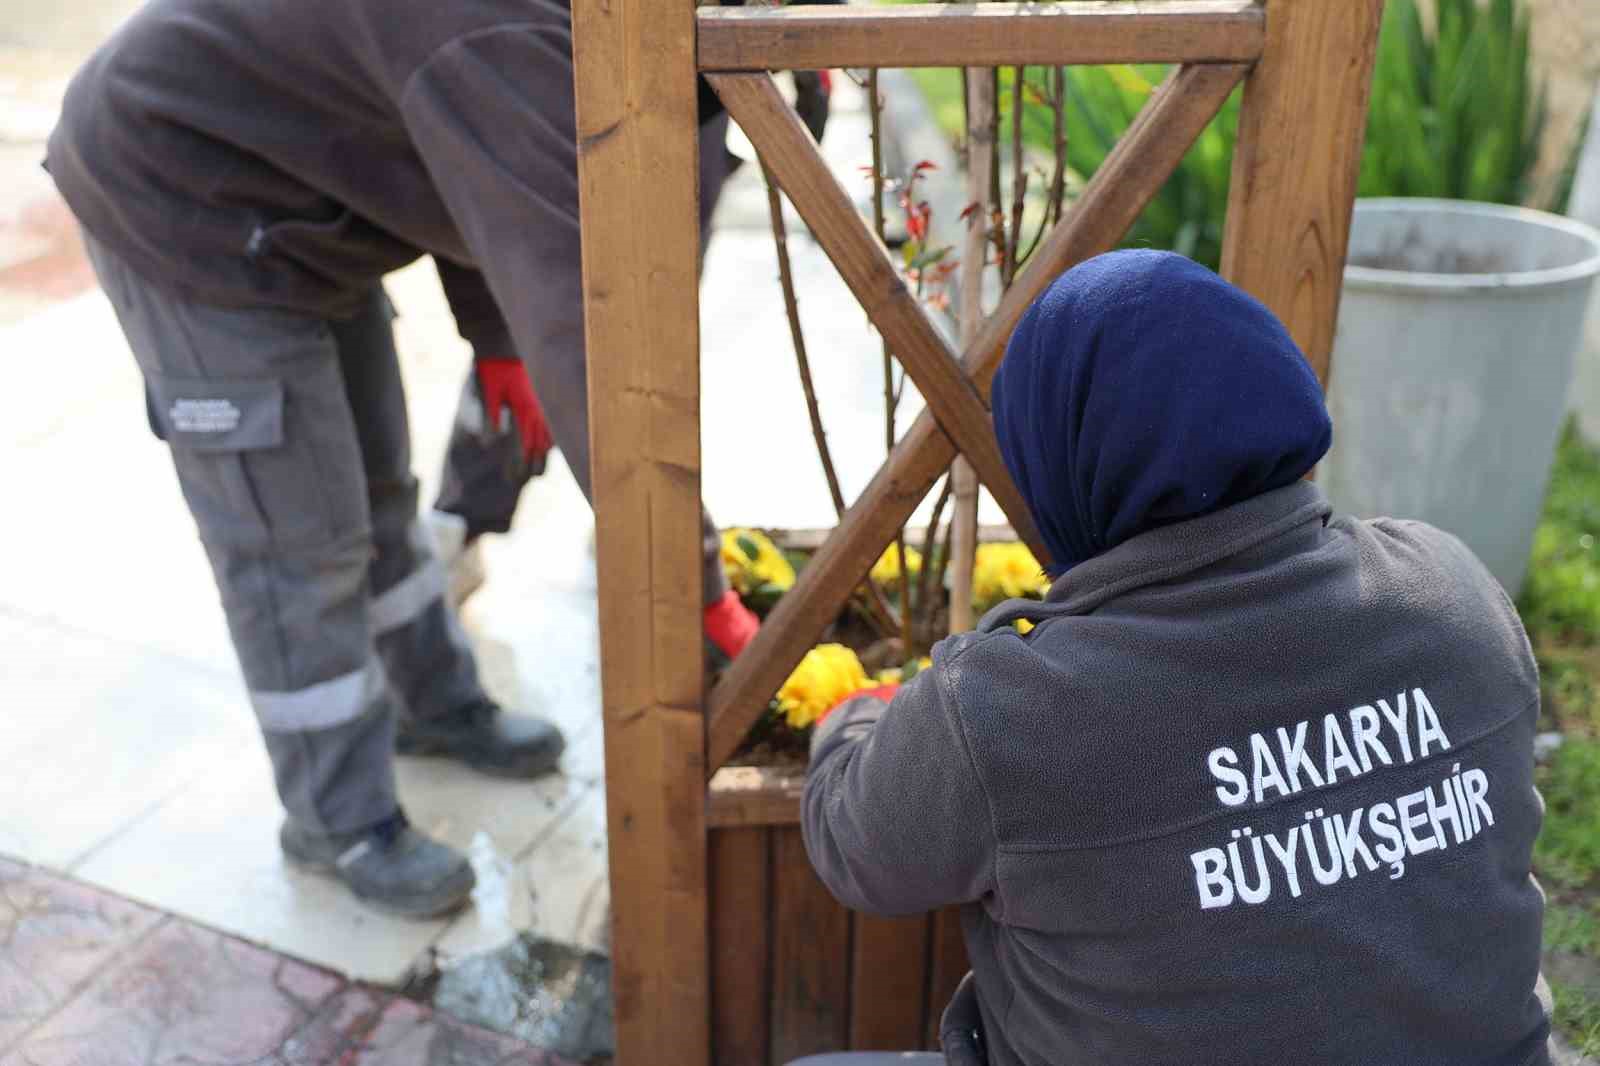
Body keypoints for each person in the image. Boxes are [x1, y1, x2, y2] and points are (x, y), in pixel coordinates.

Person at [45, 0, 764, 919]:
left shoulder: (548, 23)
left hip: (294, 201)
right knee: (296, 544)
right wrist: (696, 582)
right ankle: (335, 820)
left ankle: (432, 704)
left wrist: (497, 336)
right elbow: (593, 349)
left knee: (378, 487)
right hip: (179, 200)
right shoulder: (503, 34)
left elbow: (468, 163)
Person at [800, 250, 1550, 1065]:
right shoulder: (1451, 593)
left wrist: (852, 718)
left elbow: (856, 848)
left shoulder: (1009, 713)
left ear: (1058, 459)